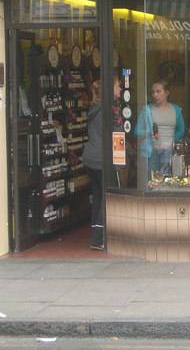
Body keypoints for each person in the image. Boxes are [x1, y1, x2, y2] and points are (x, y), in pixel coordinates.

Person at [81, 75, 121, 251]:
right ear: (110, 89)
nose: (120, 89)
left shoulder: (94, 109)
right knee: (107, 197)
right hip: (102, 158)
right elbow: (117, 134)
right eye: (118, 86)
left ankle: (96, 235)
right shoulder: (109, 111)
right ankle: (99, 239)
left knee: (98, 196)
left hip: (90, 157)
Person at [135, 79, 185, 188]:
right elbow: (136, 132)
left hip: (169, 151)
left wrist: (171, 139)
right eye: (153, 92)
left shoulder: (176, 110)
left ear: (167, 93)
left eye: (158, 91)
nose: (155, 95)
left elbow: (181, 130)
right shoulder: (147, 110)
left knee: (168, 183)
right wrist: (149, 133)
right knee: (151, 183)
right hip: (152, 152)